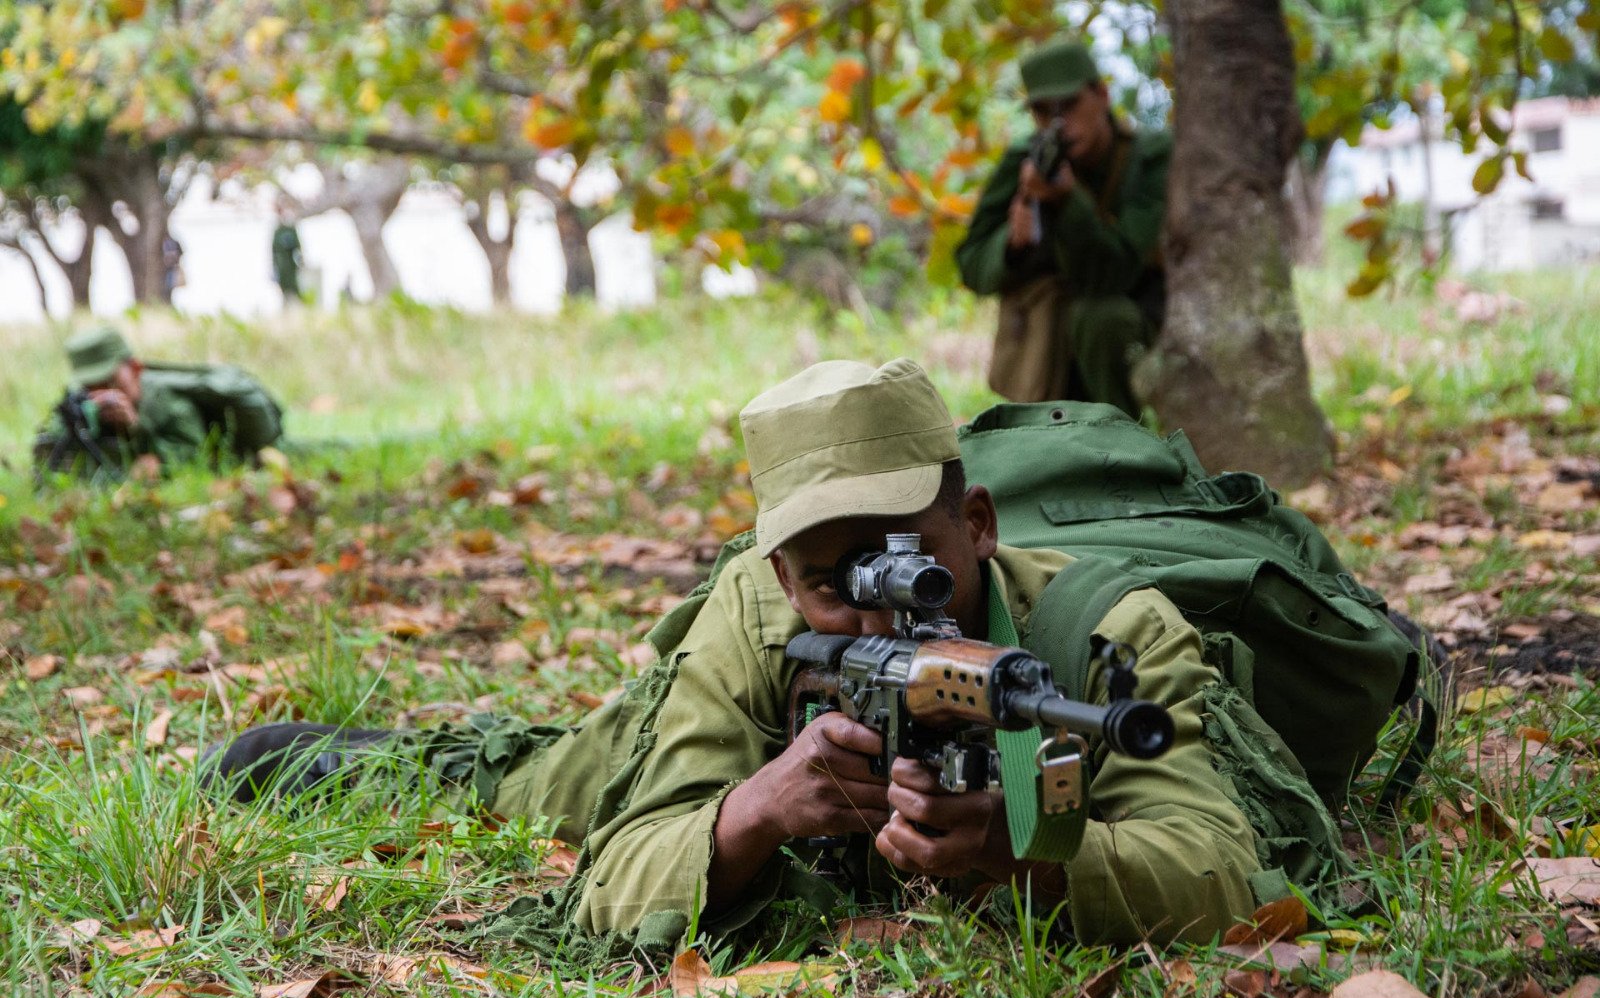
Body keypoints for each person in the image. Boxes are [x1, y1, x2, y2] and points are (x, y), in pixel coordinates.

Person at [209, 360, 1331, 950]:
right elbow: (612, 874)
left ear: (978, 525)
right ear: (779, 573)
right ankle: (365, 757)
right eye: (826, 578)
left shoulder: (1105, 636)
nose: (869, 607)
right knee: (547, 779)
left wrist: (1029, 859)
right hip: (680, 734)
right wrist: (753, 811)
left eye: (906, 557)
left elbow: (1223, 869)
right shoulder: (754, 615)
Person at [955, 39, 1170, 416]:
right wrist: (1012, 245)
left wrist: (1067, 201)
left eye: (1069, 105)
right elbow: (971, 262)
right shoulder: (1026, 160)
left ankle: (1124, 447)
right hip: (1049, 346)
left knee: (1101, 318)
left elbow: (1117, 271)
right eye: (1042, 110)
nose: (1058, 123)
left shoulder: (1149, 157)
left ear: (1101, 95)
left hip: (1136, 331)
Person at [32, 325, 285, 480]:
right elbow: (47, 449)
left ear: (135, 368)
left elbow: (192, 454)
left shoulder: (167, 402)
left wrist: (135, 426)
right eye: (90, 386)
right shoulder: (80, 405)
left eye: (109, 381)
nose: (100, 394)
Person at [271, 206, 303, 306]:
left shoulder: (291, 230)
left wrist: (301, 263)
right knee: (284, 293)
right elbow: (273, 252)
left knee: (296, 291)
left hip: (291, 267)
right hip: (281, 268)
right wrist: (274, 269)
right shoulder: (277, 232)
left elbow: (298, 249)